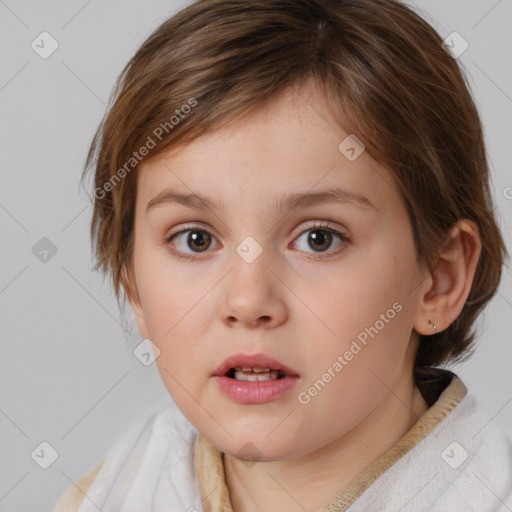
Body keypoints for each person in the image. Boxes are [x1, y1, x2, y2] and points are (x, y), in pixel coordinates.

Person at [54, 0, 512, 510]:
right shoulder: (107, 493)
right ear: (132, 282)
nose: (248, 301)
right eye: (195, 239)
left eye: (319, 238)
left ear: (438, 280)